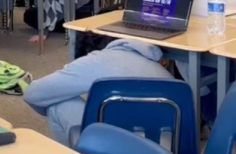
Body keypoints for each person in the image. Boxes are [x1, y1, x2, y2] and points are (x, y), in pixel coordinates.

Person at [23, 33, 174, 147]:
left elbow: (33, 93)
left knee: (57, 103)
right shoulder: (160, 69)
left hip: (117, 147)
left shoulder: (96, 60)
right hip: (165, 148)